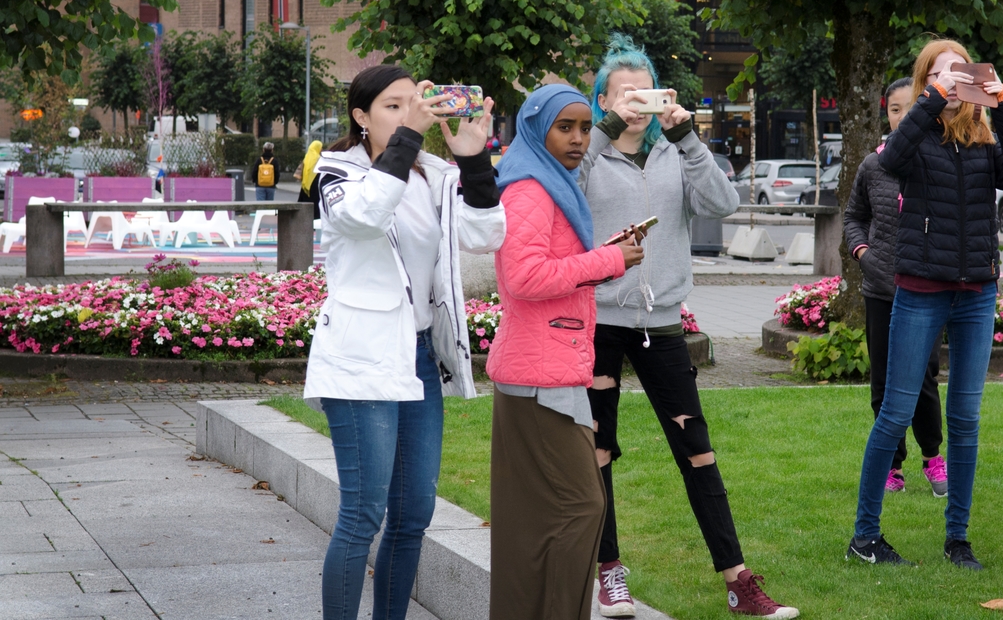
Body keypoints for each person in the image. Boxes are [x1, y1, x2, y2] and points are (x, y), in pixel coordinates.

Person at [578, 35, 798, 619]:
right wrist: (602, 130)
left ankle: (737, 580)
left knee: (696, 449)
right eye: (623, 94)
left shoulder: (674, 152)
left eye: (644, 92)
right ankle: (609, 572)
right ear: (602, 100)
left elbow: (722, 204)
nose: (635, 103)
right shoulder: (589, 154)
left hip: (663, 322)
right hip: (599, 320)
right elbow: (563, 190)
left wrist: (687, 137)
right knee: (597, 449)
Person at [303, 64, 505, 620]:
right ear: (361, 117)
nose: (407, 113)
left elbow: (486, 234)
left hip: (418, 357)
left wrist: (473, 159)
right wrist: (410, 137)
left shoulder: (432, 175)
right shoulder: (335, 172)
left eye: (412, 103)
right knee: (362, 515)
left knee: (413, 513)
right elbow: (365, 217)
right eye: (392, 107)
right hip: (362, 359)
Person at [847, 39, 1003, 571]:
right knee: (894, 413)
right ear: (926, 82)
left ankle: (958, 539)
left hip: (976, 293)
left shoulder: (983, 141)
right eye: (940, 73)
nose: (953, 80)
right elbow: (891, 159)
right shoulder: (914, 136)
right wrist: (932, 100)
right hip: (920, 291)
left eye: (961, 71)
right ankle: (865, 536)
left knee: (966, 418)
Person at [487, 83, 644, 620]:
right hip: (541, 377)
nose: (578, 138)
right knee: (582, 507)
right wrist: (608, 260)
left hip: (544, 369)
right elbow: (525, 277)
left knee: (531, 518)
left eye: (584, 127)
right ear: (536, 130)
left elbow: (547, 267)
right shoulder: (530, 189)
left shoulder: (547, 180)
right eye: (565, 127)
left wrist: (604, 256)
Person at [843, 77, 948, 498]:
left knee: (923, 379)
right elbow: (853, 217)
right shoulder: (873, 165)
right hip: (881, 291)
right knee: (884, 381)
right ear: (885, 114)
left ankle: (933, 457)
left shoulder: (938, 161)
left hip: (926, 291)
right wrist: (863, 254)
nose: (902, 117)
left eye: (910, 107)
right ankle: (892, 464)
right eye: (894, 109)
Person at [295, 139, 323, 208]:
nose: (321, 149)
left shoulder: (306, 157)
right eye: (321, 147)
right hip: (316, 186)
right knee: (315, 206)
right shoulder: (319, 159)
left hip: (305, 185)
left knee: (305, 205)